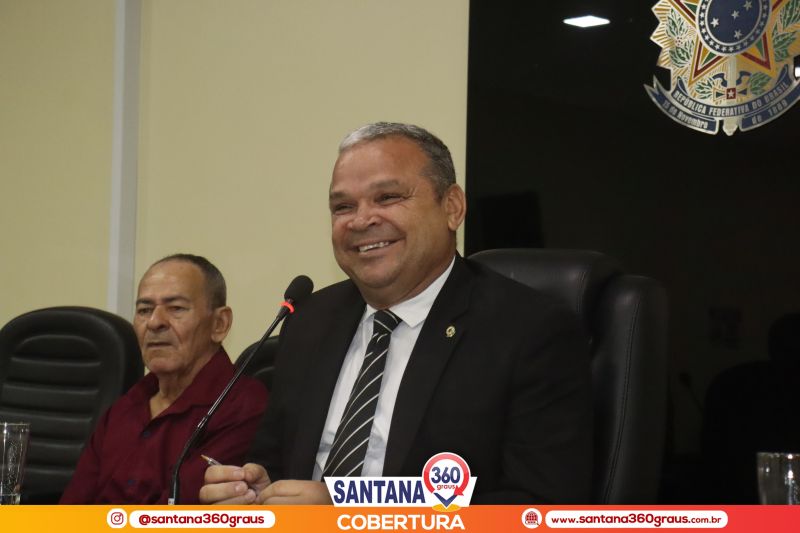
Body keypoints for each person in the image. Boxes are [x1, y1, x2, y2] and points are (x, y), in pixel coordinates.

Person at [200, 122, 592, 505]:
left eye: (387, 197)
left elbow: (542, 506)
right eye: (343, 206)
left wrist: (350, 505)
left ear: (452, 208)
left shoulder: (530, 330)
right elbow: (274, 462)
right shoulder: (309, 321)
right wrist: (255, 490)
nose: (361, 220)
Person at [60, 254, 268, 504]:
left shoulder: (243, 406)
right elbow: (71, 509)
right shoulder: (126, 405)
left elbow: (175, 515)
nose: (154, 322)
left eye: (176, 308)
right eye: (144, 310)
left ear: (219, 324)